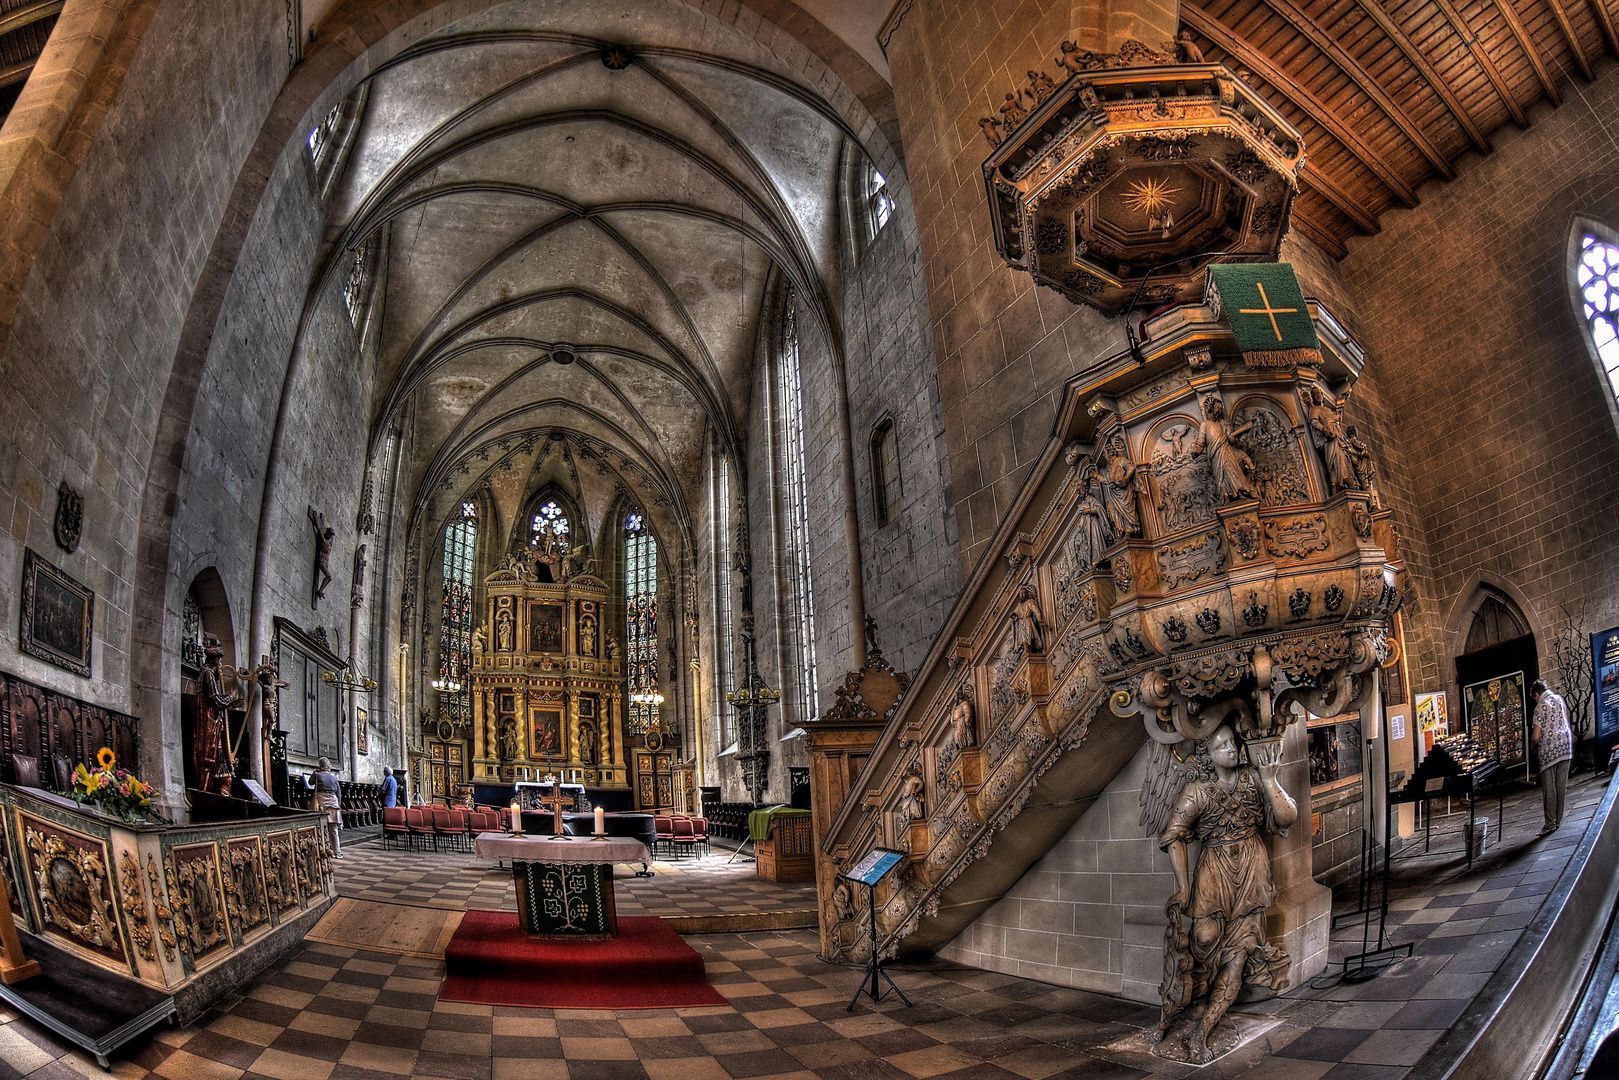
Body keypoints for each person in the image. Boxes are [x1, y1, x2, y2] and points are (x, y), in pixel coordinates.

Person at [1159, 726, 1295, 1063]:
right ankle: (1199, 995)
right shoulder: (1198, 791)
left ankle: (1202, 1031)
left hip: (1251, 867)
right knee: (1203, 937)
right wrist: (1184, 887)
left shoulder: (1252, 778)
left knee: (1239, 953)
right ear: (1208, 753)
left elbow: (1287, 816)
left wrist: (1269, 777)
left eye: (1234, 743)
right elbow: (1173, 836)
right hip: (1215, 871)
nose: (1232, 749)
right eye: (1223, 745)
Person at [1532, 679, 1573, 835]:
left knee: (1550, 789)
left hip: (1549, 750)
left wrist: (1532, 745)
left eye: (1534, 697)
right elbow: (1566, 720)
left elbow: (1536, 735)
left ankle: (1550, 824)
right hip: (1565, 746)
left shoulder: (1540, 707)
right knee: (1561, 786)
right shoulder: (1559, 699)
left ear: (1537, 694)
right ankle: (1558, 820)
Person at [309, 757, 344, 858]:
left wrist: (315, 772)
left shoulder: (317, 775)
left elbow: (310, 782)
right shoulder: (333, 777)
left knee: (321, 828)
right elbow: (338, 791)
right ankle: (337, 852)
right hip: (333, 803)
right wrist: (339, 804)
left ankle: (324, 850)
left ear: (320, 765)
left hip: (322, 803)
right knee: (333, 829)